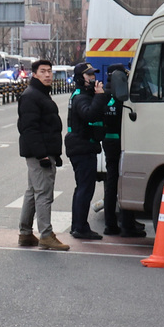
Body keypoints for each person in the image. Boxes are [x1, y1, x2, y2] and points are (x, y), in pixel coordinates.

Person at [17, 59, 68, 250]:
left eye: (49, 71)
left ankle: (25, 234)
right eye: (43, 71)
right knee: (44, 194)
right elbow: (29, 129)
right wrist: (43, 155)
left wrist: (54, 153)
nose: (48, 75)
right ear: (35, 74)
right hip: (40, 154)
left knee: (32, 193)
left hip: (44, 151)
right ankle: (46, 235)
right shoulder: (32, 96)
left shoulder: (40, 94)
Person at [98, 64, 146, 237]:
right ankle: (127, 224)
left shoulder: (103, 95)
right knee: (125, 181)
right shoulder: (122, 94)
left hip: (108, 141)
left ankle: (111, 224)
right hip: (121, 141)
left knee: (111, 183)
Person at [64, 62, 105, 240]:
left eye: (93, 74)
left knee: (82, 187)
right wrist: (100, 97)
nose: (93, 78)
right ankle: (80, 227)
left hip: (83, 146)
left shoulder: (83, 94)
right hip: (82, 147)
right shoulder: (81, 96)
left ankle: (78, 225)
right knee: (85, 188)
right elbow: (89, 114)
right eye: (89, 75)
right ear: (81, 78)